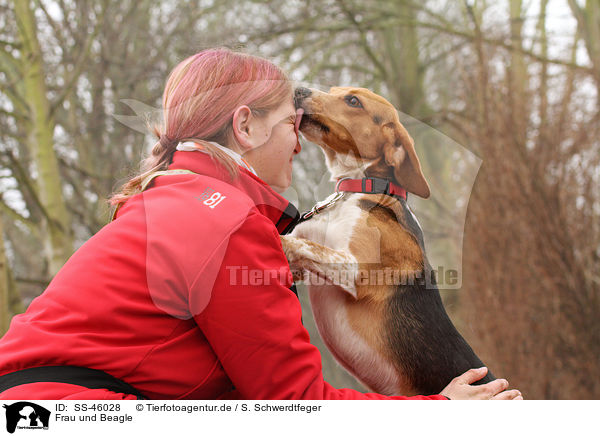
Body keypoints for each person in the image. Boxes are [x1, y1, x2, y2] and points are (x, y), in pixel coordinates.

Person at [0, 48, 522, 400]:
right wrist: (440, 412)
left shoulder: (178, 199)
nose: (300, 140)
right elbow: (297, 405)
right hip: (68, 411)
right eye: (292, 125)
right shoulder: (222, 221)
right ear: (245, 126)